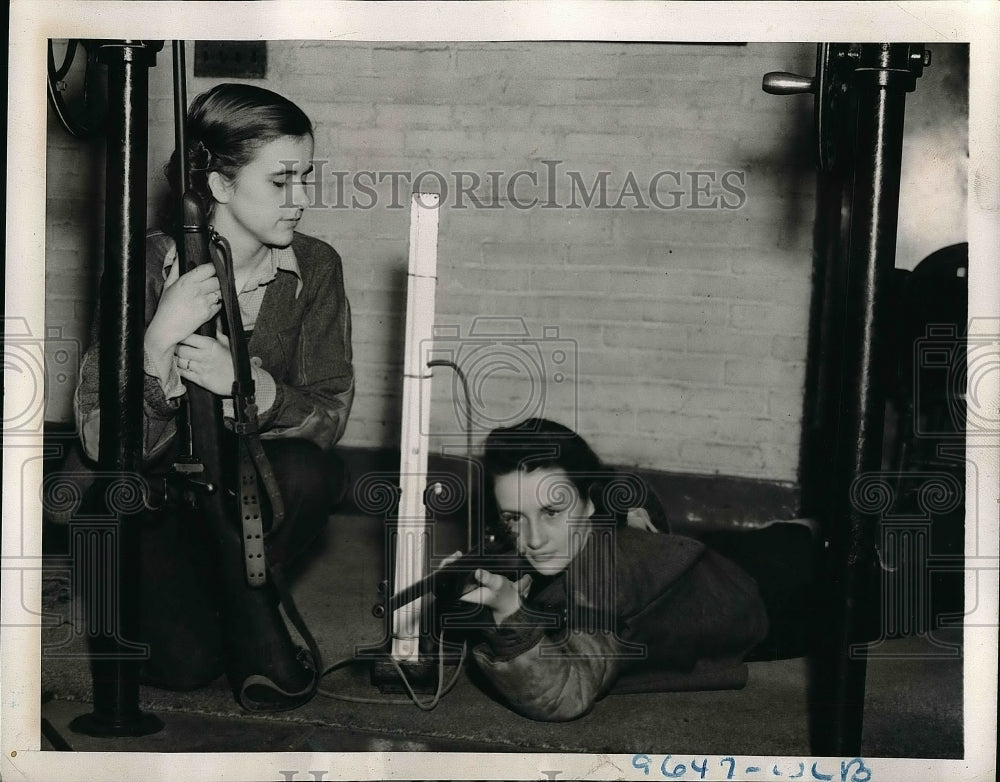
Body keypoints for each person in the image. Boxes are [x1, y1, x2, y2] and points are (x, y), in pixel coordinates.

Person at [73, 83, 354, 710]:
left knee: (313, 473)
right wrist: (157, 345)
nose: (302, 200)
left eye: (306, 177)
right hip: (148, 502)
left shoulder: (317, 268)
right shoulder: (140, 268)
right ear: (219, 187)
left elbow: (329, 416)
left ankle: (237, 600)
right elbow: (98, 440)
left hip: (241, 492)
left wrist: (248, 389)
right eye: (282, 181)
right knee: (186, 669)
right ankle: (241, 611)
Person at [450, 418, 768, 722]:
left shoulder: (602, 573)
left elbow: (563, 694)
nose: (533, 540)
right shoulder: (592, 524)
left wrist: (510, 616)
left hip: (771, 592)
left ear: (590, 502)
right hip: (713, 558)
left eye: (551, 512)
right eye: (515, 518)